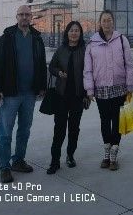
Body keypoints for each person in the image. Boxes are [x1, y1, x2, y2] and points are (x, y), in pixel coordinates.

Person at [0, 5, 47, 183]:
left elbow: (41, 63)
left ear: (31, 17)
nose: (24, 17)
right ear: (16, 17)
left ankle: (18, 161)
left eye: (27, 15)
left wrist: (42, 86)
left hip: (29, 94)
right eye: (21, 14)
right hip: (10, 93)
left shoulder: (36, 37)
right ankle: (4, 167)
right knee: (5, 132)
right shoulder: (8, 36)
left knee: (24, 130)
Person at [84, 10, 133, 171]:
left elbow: (129, 64)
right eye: (104, 20)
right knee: (105, 120)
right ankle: (106, 152)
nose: (107, 23)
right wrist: (89, 89)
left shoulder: (121, 39)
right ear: (100, 23)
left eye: (109, 20)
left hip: (119, 88)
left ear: (113, 22)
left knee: (117, 121)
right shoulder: (92, 43)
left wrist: (130, 86)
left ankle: (114, 154)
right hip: (101, 89)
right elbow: (88, 69)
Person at [46, 21, 90, 174]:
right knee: (59, 129)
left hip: (78, 96)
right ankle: (55, 161)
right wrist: (58, 72)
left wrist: (87, 94)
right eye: (71, 30)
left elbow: (89, 73)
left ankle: (70, 155)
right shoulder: (61, 49)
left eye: (77, 30)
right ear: (67, 33)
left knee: (74, 129)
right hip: (61, 96)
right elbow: (52, 66)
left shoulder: (85, 50)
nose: (74, 33)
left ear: (80, 33)